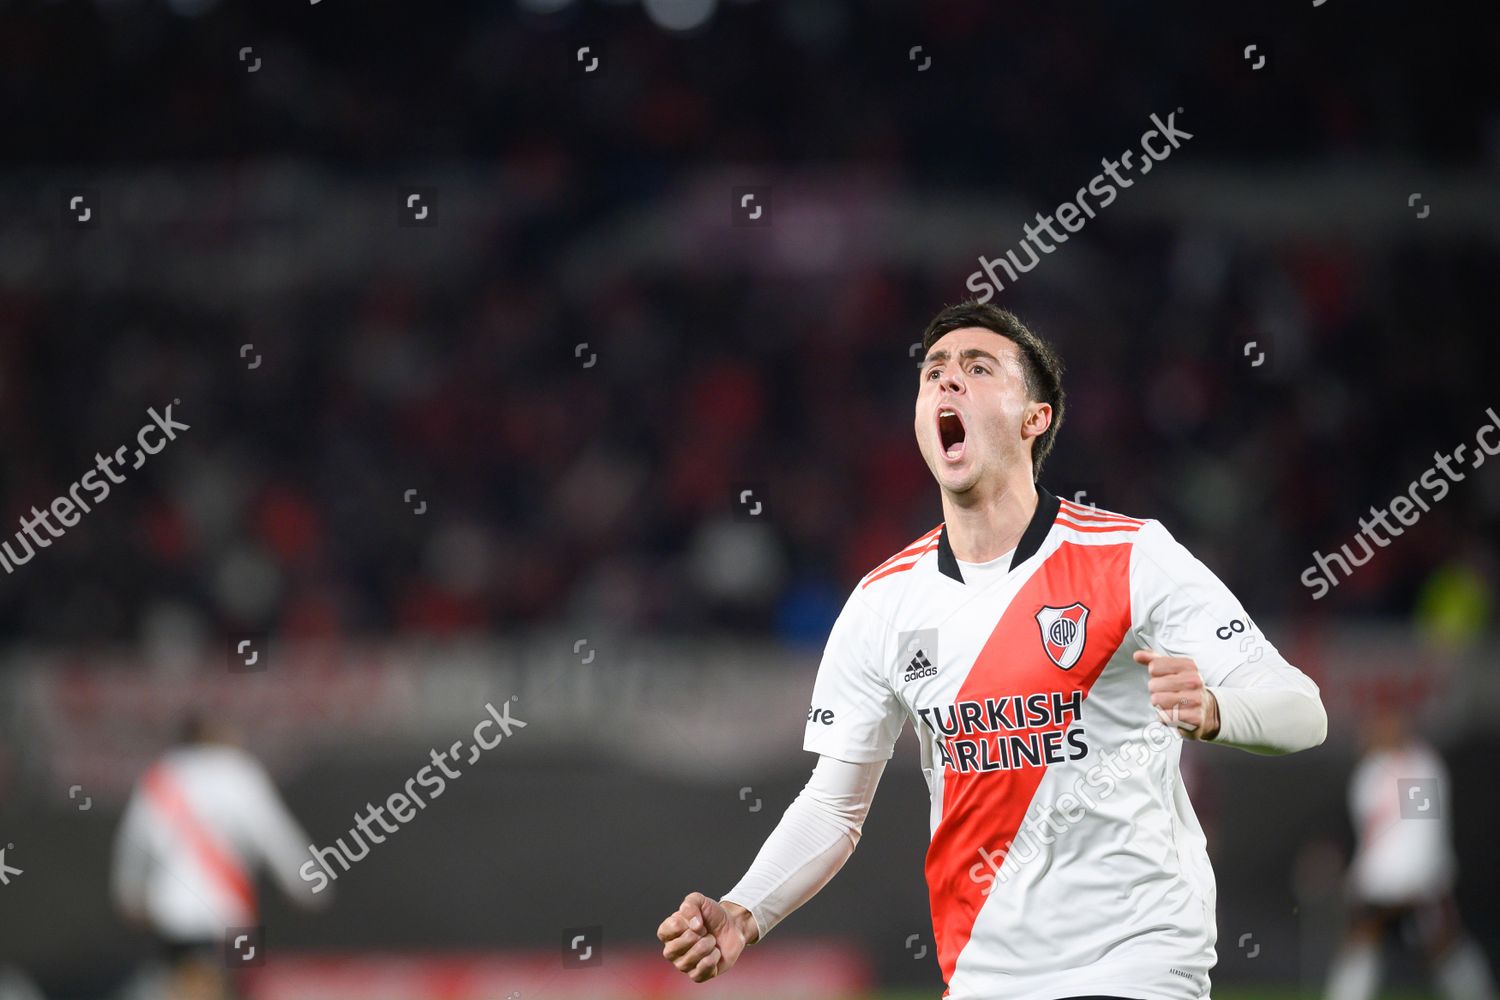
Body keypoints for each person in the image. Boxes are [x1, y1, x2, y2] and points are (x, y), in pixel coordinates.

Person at [657, 301, 1328, 999]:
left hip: (1135, 963)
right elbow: (833, 807)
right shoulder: (883, 602)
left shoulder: (1130, 557)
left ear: (1034, 418)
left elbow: (1303, 711)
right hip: (981, 976)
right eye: (933, 374)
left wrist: (1217, 709)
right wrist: (744, 908)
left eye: (977, 368)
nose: (947, 382)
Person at [111, 714, 328, 1000]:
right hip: (225, 910)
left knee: (186, 982)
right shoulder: (237, 772)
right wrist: (306, 883)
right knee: (216, 985)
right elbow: (272, 832)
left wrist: (128, 892)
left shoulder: (162, 775)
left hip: (172, 912)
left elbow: (135, 839)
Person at [1323, 708, 1495, 1000]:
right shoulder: (1371, 771)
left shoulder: (1421, 765)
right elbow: (1369, 831)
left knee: (1442, 946)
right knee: (1365, 943)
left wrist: (1417, 877)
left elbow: (1421, 828)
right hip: (1382, 880)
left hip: (1412, 880)